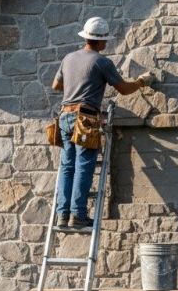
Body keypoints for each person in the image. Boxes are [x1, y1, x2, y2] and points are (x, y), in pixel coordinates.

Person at [51, 17, 153, 229]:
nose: (106, 44)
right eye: (104, 40)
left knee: (68, 167)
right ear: (98, 42)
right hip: (86, 119)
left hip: (65, 117)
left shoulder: (68, 58)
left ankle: (63, 215)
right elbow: (123, 89)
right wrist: (142, 81)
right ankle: (78, 215)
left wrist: (76, 85)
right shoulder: (102, 62)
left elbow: (56, 86)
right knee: (83, 166)